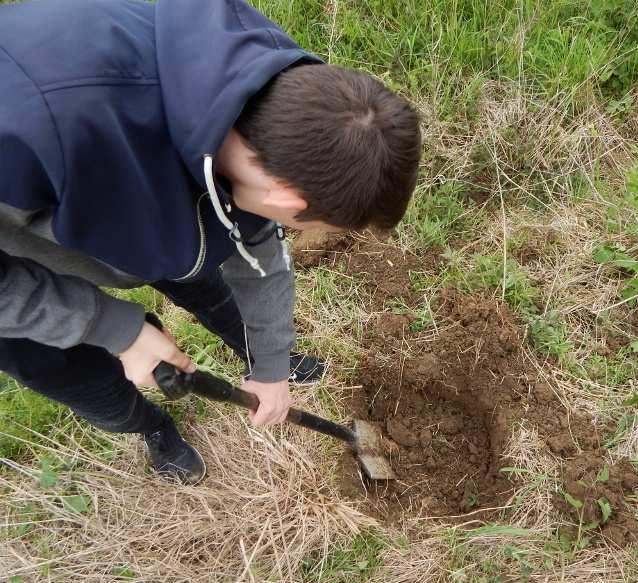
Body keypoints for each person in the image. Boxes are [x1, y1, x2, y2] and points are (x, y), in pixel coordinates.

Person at [0, 0, 421, 484]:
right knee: (64, 367)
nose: (299, 235)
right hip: (23, 217)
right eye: (310, 225)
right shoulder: (30, 130)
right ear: (285, 196)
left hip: (126, 191)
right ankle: (151, 428)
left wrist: (270, 364)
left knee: (197, 261)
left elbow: (259, 243)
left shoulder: (266, 95)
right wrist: (110, 325)